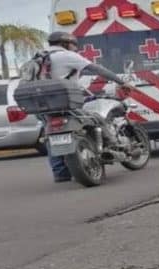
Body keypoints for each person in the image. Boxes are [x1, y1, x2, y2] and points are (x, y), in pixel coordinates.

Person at [41, 31, 134, 182]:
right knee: (97, 119)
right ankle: (109, 147)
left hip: (43, 104)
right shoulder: (67, 56)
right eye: (73, 44)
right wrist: (121, 81)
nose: (75, 47)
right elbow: (97, 69)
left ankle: (61, 173)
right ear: (66, 43)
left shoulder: (40, 58)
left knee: (52, 136)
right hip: (65, 101)